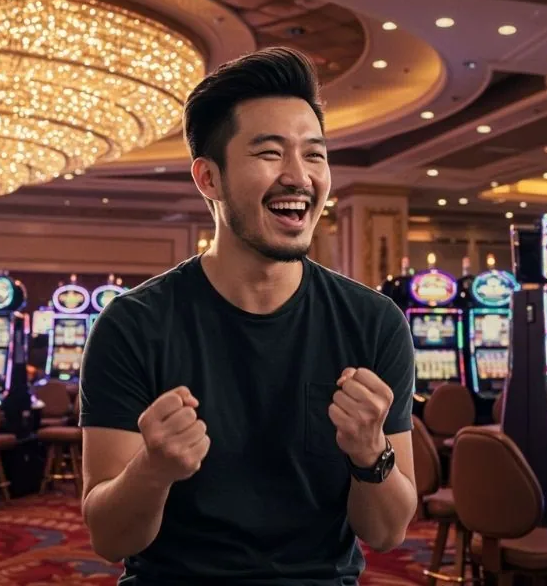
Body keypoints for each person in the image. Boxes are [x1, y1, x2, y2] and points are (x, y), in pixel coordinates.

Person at [80, 46, 418, 585]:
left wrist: (369, 452)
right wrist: (154, 469)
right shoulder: (133, 324)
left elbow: (387, 533)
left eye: (314, 154)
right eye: (269, 154)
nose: (298, 176)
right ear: (209, 179)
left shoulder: (373, 321)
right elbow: (110, 539)